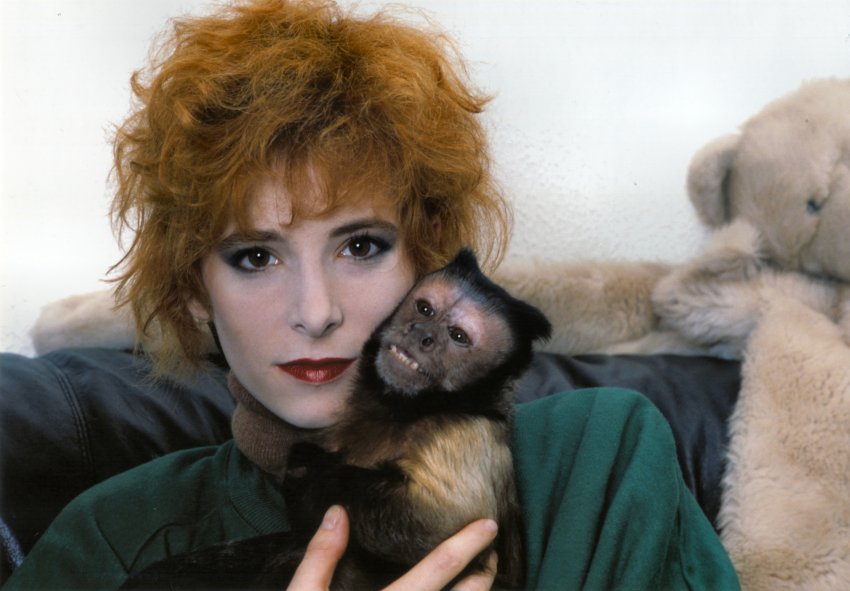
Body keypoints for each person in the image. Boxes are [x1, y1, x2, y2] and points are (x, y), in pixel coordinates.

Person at [4, 0, 740, 589]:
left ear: (427, 253)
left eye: (360, 247)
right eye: (255, 256)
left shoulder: (599, 462)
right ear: (195, 289)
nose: (316, 311)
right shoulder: (108, 543)